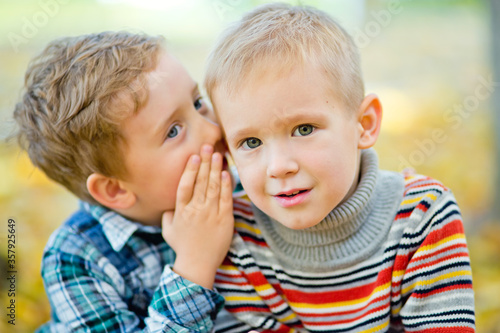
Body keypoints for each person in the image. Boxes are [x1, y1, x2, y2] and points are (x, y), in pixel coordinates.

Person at [205, 3, 476, 332]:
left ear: (364, 124)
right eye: (250, 142)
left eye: (304, 129)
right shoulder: (235, 231)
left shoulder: (422, 217)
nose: (278, 167)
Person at [12, 31, 236, 332]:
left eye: (197, 103)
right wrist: (195, 263)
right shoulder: (77, 258)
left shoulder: (241, 189)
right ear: (115, 189)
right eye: (173, 131)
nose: (212, 131)